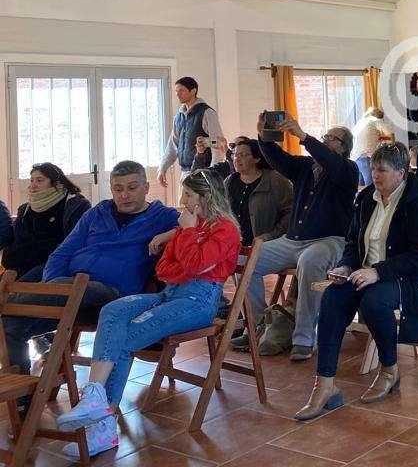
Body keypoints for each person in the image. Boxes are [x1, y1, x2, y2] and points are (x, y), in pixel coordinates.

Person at [54, 169, 241, 458]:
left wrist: (187, 236)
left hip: (198, 302)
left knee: (125, 338)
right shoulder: (190, 227)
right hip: (170, 293)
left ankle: (103, 424)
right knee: (114, 309)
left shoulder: (224, 229)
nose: (183, 200)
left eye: (188, 194)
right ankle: (94, 395)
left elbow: (194, 266)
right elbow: (164, 268)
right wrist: (185, 256)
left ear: (206, 197)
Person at [295, 142, 418, 420]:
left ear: (401, 173)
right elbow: (352, 242)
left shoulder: (417, 202)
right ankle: (325, 385)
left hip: (404, 276)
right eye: (373, 169)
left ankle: (390, 369)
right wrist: (346, 266)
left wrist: (378, 272)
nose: (375, 175)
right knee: (332, 298)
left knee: (374, 301)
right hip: (363, 272)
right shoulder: (366, 198)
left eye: (382, 170)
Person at [2, 161, 180, 379]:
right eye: (118, 189)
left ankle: (6, 300)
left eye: (132, 188)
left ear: (146, 188)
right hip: (71, 294)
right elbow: (61, 253)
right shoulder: (97, 213)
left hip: (114, 296)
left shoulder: (162, 216)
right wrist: (52, 287)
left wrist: (166, 235)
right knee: (10, 324)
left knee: (68, 288)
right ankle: (23, 393)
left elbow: (200, 226)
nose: (124, 195)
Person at [235, 115, 359, 361]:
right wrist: (263, 136)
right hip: (291, 241)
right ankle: (258, 325)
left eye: (331, 138)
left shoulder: (348, 169)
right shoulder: (305, 166)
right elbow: (277, 158)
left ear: (344, 148)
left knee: (310, 261)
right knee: (244, 259)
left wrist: (302, 136)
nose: (325, 140)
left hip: (328, 241)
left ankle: (304, 338)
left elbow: (330, 161)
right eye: (325, 136)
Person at [1, 163, 92, 281]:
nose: (33, 185)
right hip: (21, 264)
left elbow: (73, 242)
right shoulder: (25, 209)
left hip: (53, 263)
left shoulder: (76, 206)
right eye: (32, 180)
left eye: (39, 180)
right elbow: (16, 241)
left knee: (19, 288)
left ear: (56, 183)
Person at [197, 136, 293, 247]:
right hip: (232, 245)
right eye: (235, 155)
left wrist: (271, 235)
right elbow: (219, 210)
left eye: (242, 155)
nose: (236, 159)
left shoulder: (276, 181)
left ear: (257, 158)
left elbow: (290, 213)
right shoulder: (229, 181)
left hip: (265, 246)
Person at [157, 76, 226, 186]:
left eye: (181, 90)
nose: (177, 94)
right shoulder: (178, 117)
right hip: (185, 173)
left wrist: (213, 173)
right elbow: (173, 145)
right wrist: (162, 168)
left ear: (193, 91)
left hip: (203, 173)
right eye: (176, 91)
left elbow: (218, 142)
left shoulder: (207, 113)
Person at [352, 107, 391, 186]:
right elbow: (390, 136)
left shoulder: (360, 123)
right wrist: (384, 140)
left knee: (360, 188)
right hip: (367, 158)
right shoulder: (376, 120)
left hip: (355, 159)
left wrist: (379, 138)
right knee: (371, 188)